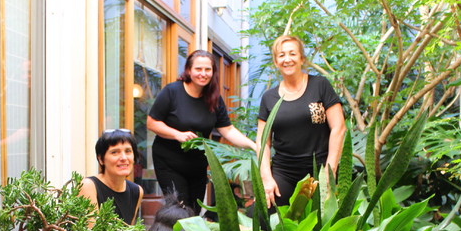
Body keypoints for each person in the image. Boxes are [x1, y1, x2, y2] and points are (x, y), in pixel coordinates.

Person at [147, 50, 256, 213]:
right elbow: (152, 122)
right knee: (179, 210)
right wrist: (177, 134)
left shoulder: (214, 97)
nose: (203, 74)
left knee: (195, 211)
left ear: (213, 72)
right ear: (189, 70)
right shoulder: (172, 91)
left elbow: (227, 129)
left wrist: (253, 145)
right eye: (198, 69)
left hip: (197, 164)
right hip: (169, 162)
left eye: (207, 69)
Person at [257, 35, 346, 208]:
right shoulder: (269, 98)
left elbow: (339, 128)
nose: (287, 59)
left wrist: (330, 170)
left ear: (301, 59)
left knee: (322, 226)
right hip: (284, 172)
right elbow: (263, 143)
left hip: (319, 170)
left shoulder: (320, 85)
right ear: (276, 61)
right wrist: (266, 178)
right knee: (265, 216)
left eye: (292, 54)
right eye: (281, 55)